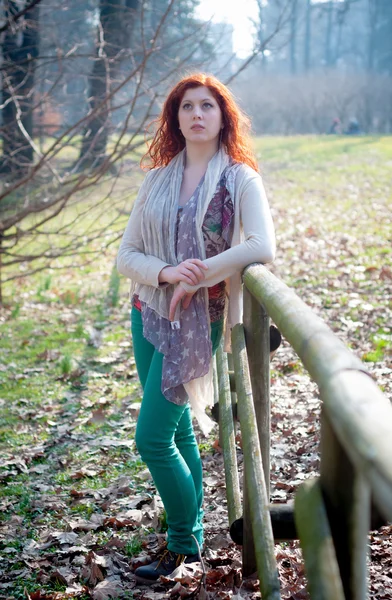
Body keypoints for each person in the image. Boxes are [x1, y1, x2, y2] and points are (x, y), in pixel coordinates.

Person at [117, 73, 276, 583]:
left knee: (152, 437)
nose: (197, 114)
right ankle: (193, 530)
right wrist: (167, 272)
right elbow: (127, 255)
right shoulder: (156, 180)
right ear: (176, 117)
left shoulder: (240, 179)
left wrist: (199, 273)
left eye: (207, 105)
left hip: (200, 318)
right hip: (148, 312)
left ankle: (184, 544)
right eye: (187, 106)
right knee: (176, 427)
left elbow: (260, 247)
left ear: (223, 116)